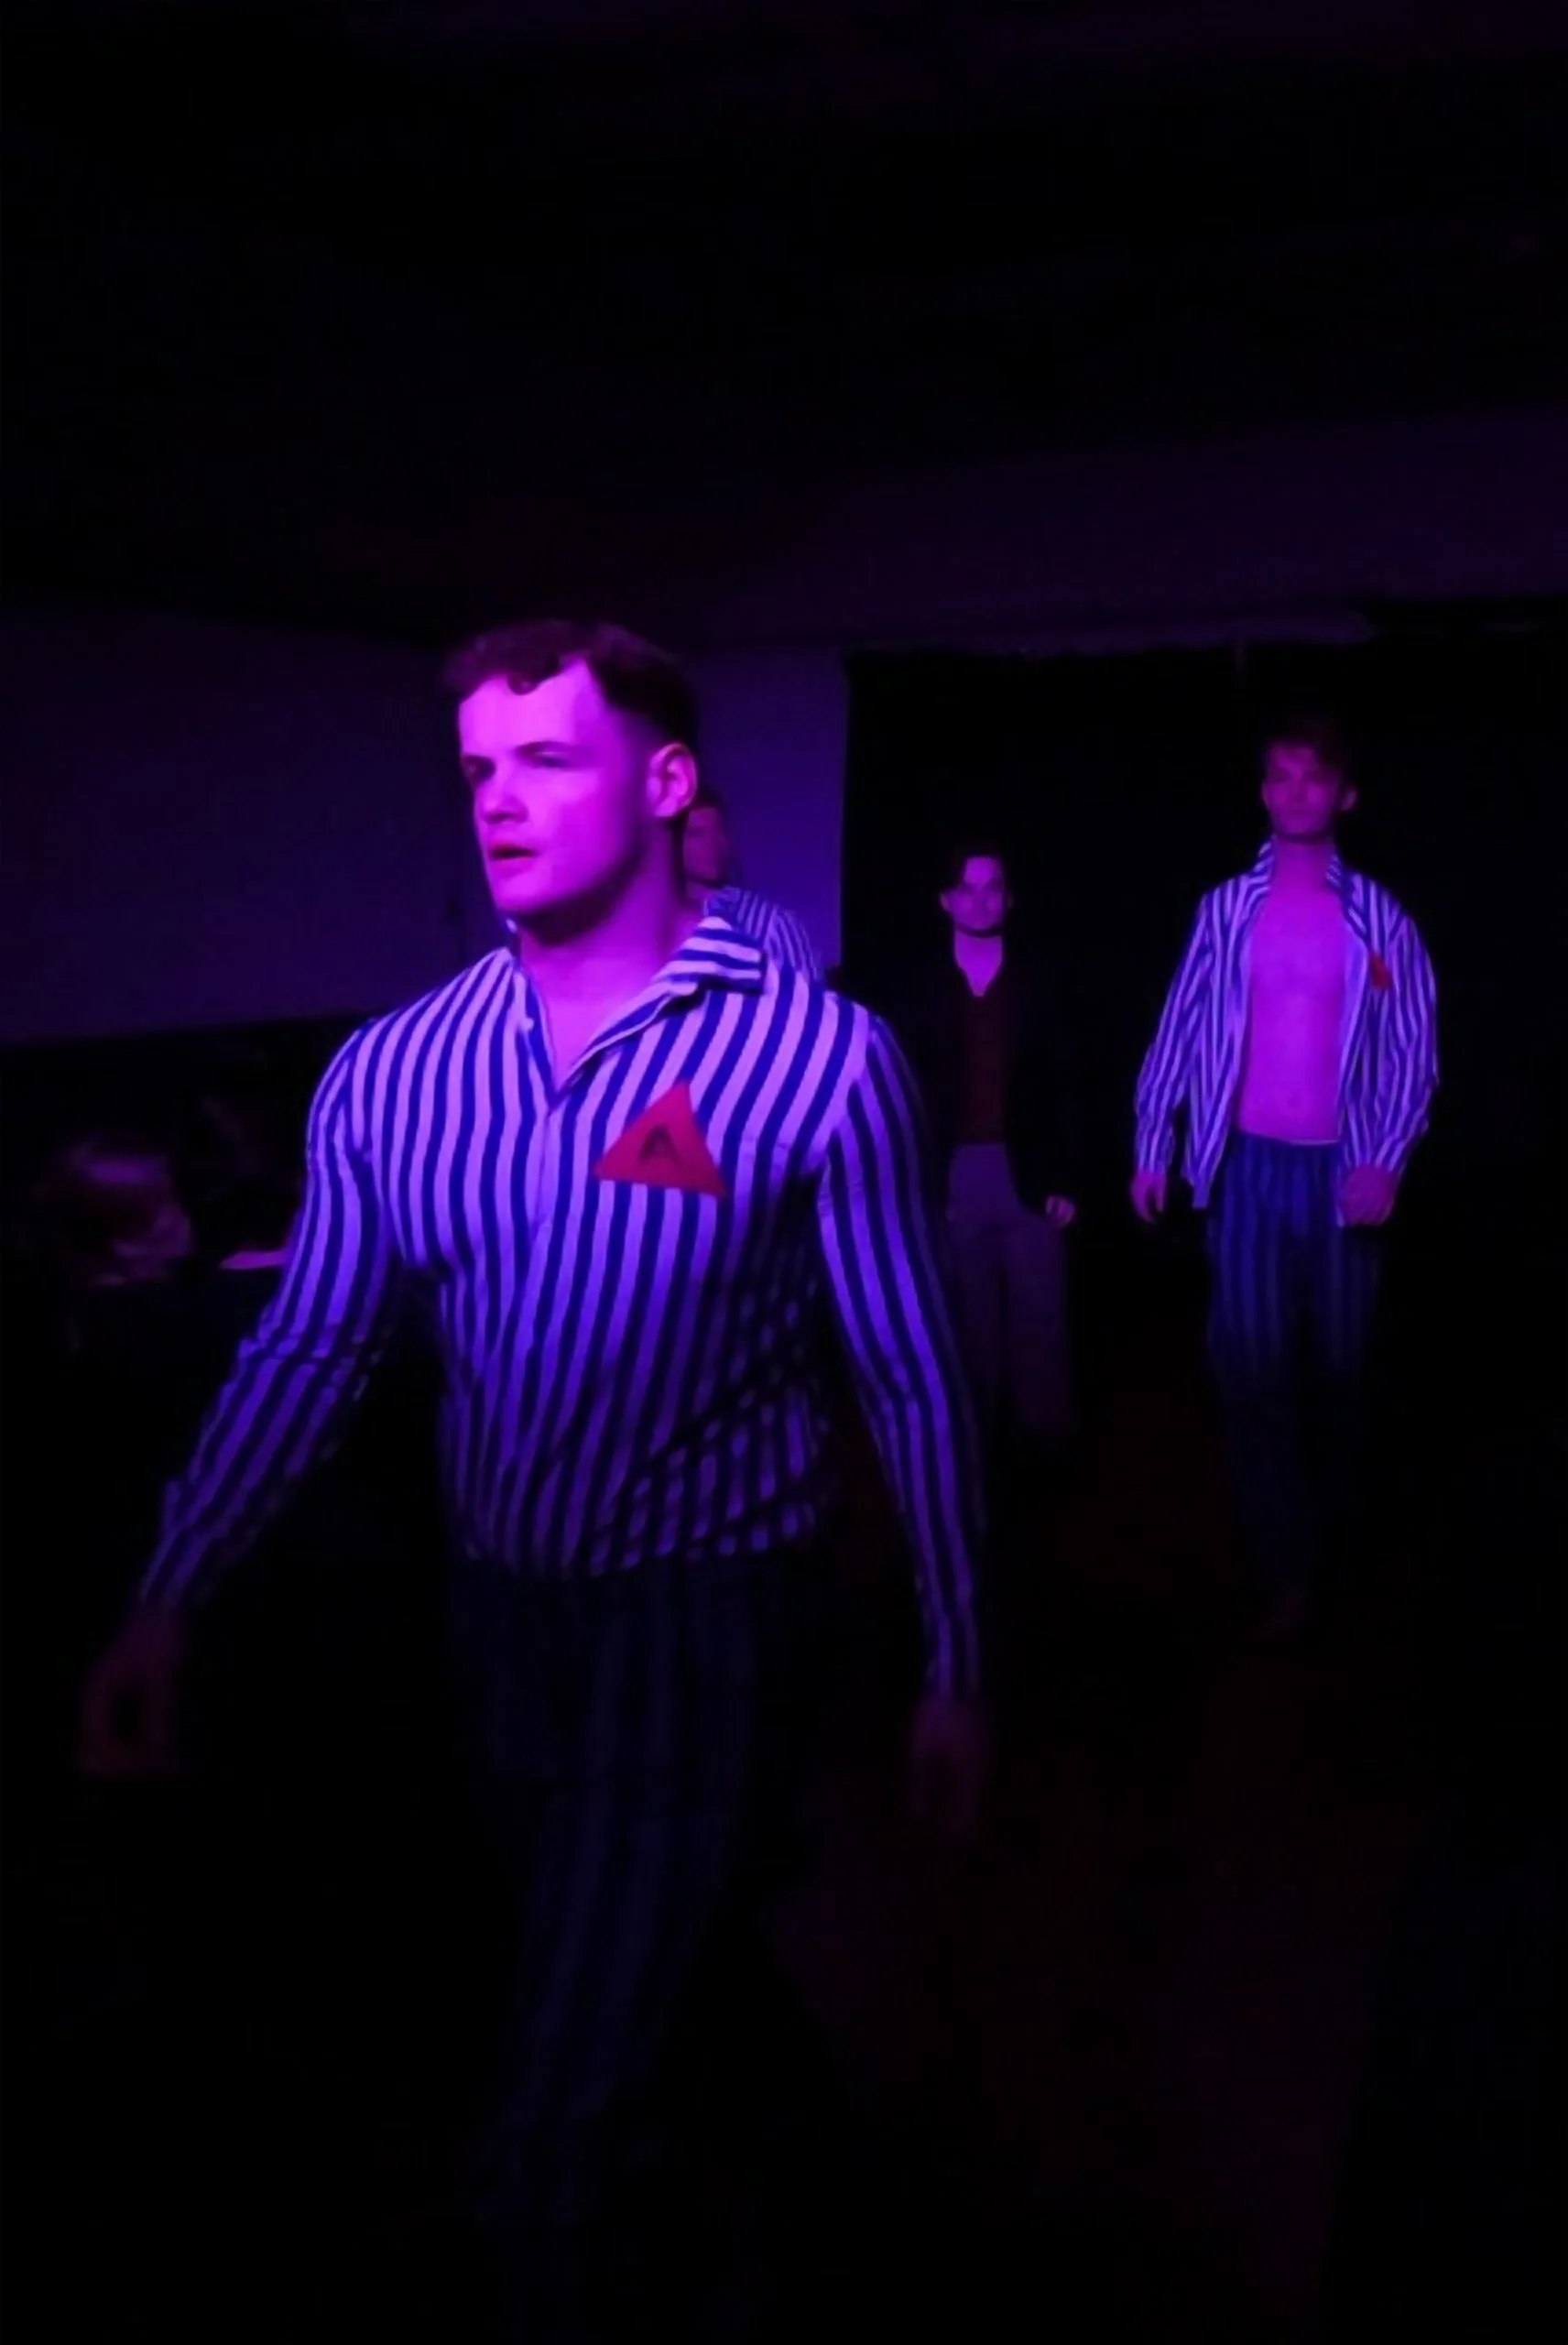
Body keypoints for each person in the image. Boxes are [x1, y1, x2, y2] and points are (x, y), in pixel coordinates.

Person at [81, 618, 985, 2340]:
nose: (497, 801)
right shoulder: (392, 1074)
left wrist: (956, 1653)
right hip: (494, 1616)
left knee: (546, 2120)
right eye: (479, 771)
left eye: (546, 760)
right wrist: (168, 1595)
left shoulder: (815, 1061)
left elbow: (906, 1371)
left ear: (660, 784)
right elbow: (311, 1352)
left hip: (707, 1616)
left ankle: (600, 2238)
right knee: (659, 1965)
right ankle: (855, 2229)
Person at [1131, 714, 1438, 1637]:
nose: (1293, 790)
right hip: (1248, 1171)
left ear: (1343, 793)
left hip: (1339, 1169)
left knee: (1339, 1373)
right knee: (1252, 1370)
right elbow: (1181, 1026)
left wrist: (1382, 1154)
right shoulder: (1224, 909)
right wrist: (1152, 1139)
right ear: (1261, 792)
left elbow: (1409, 1048)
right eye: (1277, 776)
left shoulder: (1377, 917)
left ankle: (1333, 1552)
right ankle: (1284, 1571)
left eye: (1312, 777)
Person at [893, 847, 1081, 1483]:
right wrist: (918, 1188)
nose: (980, 899)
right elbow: (901, 1093)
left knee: (1042, 1328)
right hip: (950, 1178)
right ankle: (976, 1468)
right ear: (946, 900)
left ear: (1008, 899)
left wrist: (1065, 1178)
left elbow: (1067, 1083)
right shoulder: (919, 989)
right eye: (967, 889)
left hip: (1027, 1175)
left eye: (992, 887)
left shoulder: (1039, 981)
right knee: (967, 1330)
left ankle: (1045, 1466)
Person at [681, 776, 823, 978]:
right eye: (697, 834)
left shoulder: (773, 927)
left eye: (718, 830)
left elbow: (810, 1006)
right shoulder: (655, 925)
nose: (714, 843)